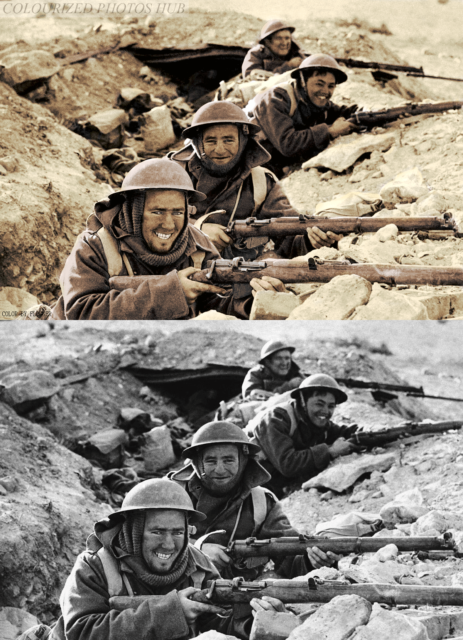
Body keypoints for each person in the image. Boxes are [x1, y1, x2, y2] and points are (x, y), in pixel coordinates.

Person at [44, 478, 241, 640]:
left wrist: (254, 616)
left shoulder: (198, 565)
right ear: (134, 531)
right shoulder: (95, 565)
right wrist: (170, 613)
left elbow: (220, 624)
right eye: (157, 532)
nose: (169, 544)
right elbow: (81, 632)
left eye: (178, 532)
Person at [170, 101, 340, 266]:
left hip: (231, 280)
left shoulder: (261, 183)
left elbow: (288, 235)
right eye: (211, 141)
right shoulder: (169, 173)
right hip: (173, 273)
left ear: (243, 142)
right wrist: (196, 230)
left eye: (229, 140)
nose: (220, 149)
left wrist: (311, 240)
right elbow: (145, 220)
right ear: (197, 142)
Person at [169, 421, 339, 580]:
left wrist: (312, 560)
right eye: (211, 461)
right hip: (174, 596)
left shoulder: (261, 503)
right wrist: (195, 551)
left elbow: (289, 558)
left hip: (234, 602)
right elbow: (145, 544)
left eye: (229, 460)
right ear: (198, 463)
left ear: (243, 462)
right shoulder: (169, 494)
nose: (220, 470)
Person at [245, 374, 358, 498]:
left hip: (270, 489)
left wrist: (376, 432)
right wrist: (329, 452)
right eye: (319, 404)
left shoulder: (317, 423)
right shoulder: (277, 419)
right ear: (303, 400)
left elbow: (347, 431)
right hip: (244, 490)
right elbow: (288, 464)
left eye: (331, 406)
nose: (325, 411)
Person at [249, 54, 359, 178]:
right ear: (303, 81)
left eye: (331, 86)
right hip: (250, 169)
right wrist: (329, 131)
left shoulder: (318, 103)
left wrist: (372, 113)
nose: (325, 91)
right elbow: (288, 144)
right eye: (319, 84)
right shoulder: (277, 98)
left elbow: (347, 111)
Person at [242, 20, 307, 80]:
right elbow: (251, 80)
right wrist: (287, 66)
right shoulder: (255, 55)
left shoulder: (296, 54)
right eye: (279, 38)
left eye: (287, 38)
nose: (284, 43)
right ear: (267, 42)